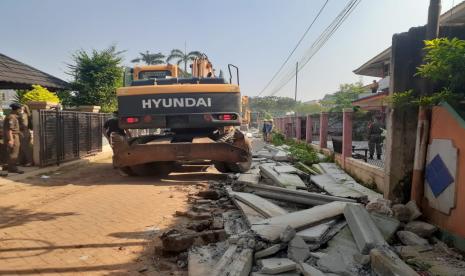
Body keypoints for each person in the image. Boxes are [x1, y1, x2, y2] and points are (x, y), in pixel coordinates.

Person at [2, 103, 24, 174]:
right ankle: (13, 168)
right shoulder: (12, 117)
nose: (20, 110)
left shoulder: (14, 116)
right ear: (17, 109)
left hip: (14, 135)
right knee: (14, 152)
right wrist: (11, 140)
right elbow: (9, 129)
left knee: (10, 152)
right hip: (13, 136)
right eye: (19, 109)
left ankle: (8, 166)